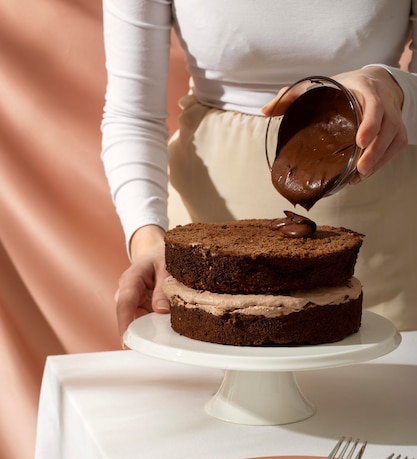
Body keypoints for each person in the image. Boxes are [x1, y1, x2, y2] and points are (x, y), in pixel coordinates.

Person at [101, 1, 417, 341]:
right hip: (202, 245)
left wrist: (392, 87)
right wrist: (148, 242)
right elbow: (133, 117)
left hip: (381, 234)